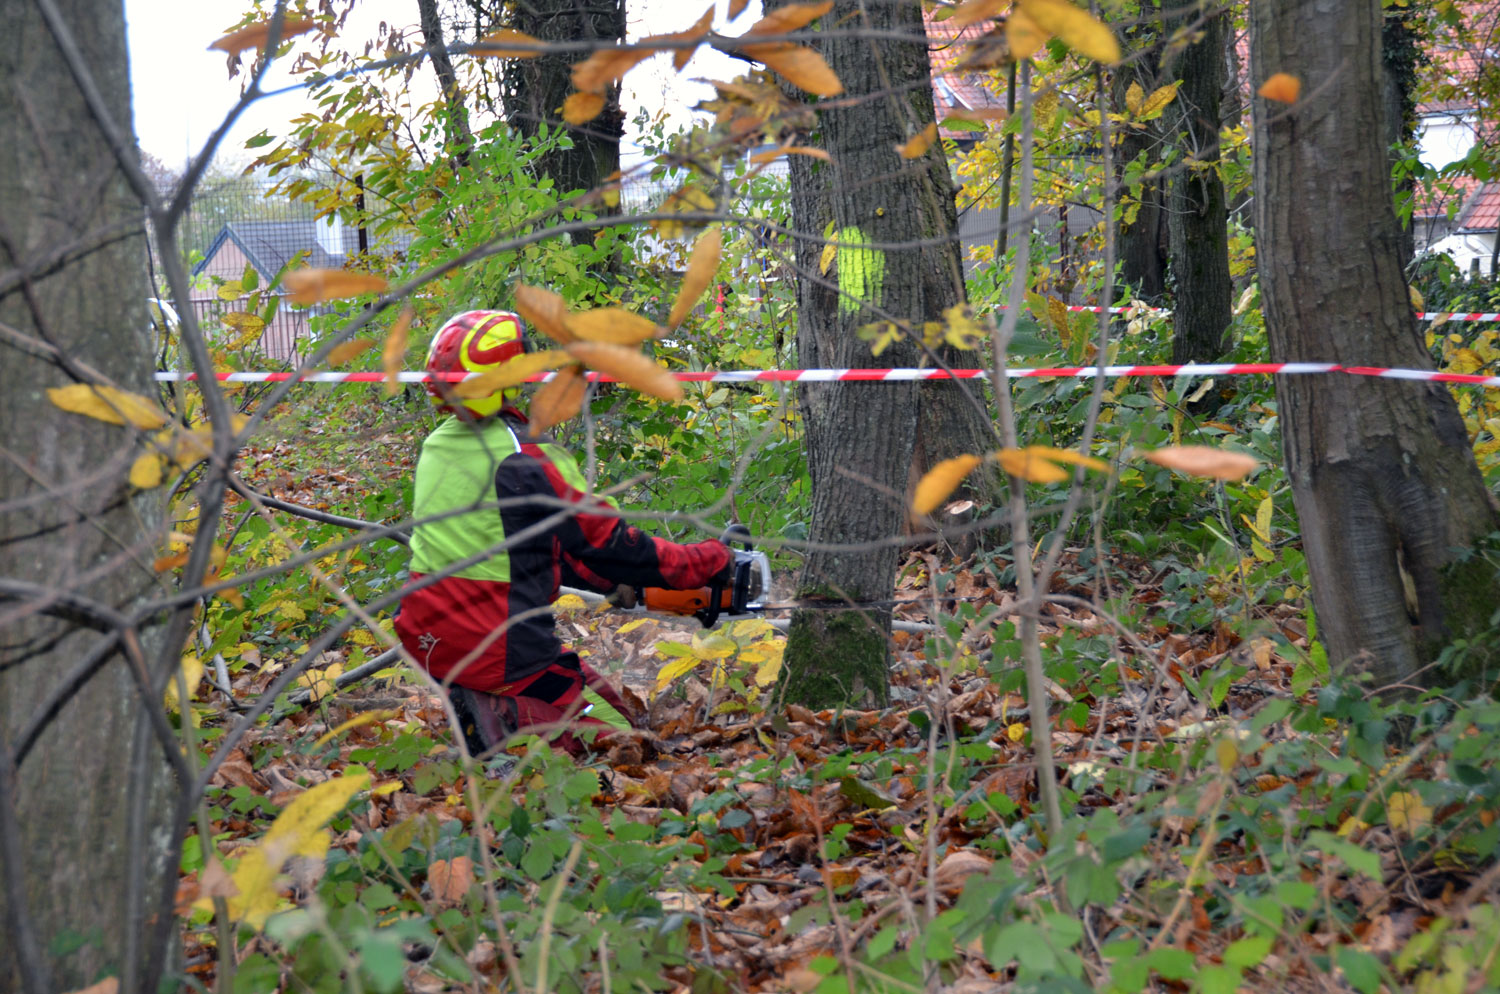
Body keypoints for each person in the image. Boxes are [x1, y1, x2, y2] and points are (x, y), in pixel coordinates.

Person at [395, 310, 733, 758]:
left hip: (428, 633)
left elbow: (534, 543)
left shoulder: (438, 444)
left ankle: (489, 704)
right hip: (499, 645)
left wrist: (614, 586)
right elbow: (609, 544)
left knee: (605, 699)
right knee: (626, 736)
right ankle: (502, 719)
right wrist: (706, 562)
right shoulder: (526, 455)